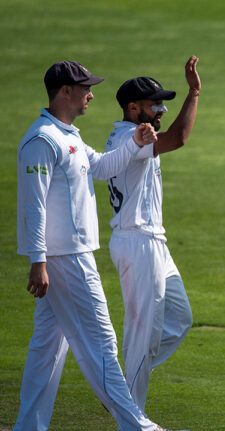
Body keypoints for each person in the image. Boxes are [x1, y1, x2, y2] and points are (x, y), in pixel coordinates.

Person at [15, 61, 168, 430]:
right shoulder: (42, 140)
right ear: (65, 91)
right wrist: (38, 261)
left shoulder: (67, 135)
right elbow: (33, 205)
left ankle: (28, 426)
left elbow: (101, 167)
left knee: (46, 350)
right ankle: (138, 427)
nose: (91, 95)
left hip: (67, 257)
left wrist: (135, 143)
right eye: (85, 88)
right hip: (66, 259)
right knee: (102, 344)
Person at [105, 56, 200, 411]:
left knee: (179, 318)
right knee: (143, 336)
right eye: (154, 104)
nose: (161, 110)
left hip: (152, 242)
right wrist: (193, 93)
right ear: (133, 108)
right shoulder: (128, 137)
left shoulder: (137, 135)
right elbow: (179, 138)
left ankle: (121, 389)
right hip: (137, 242)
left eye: (162, 103)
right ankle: (131, 414)